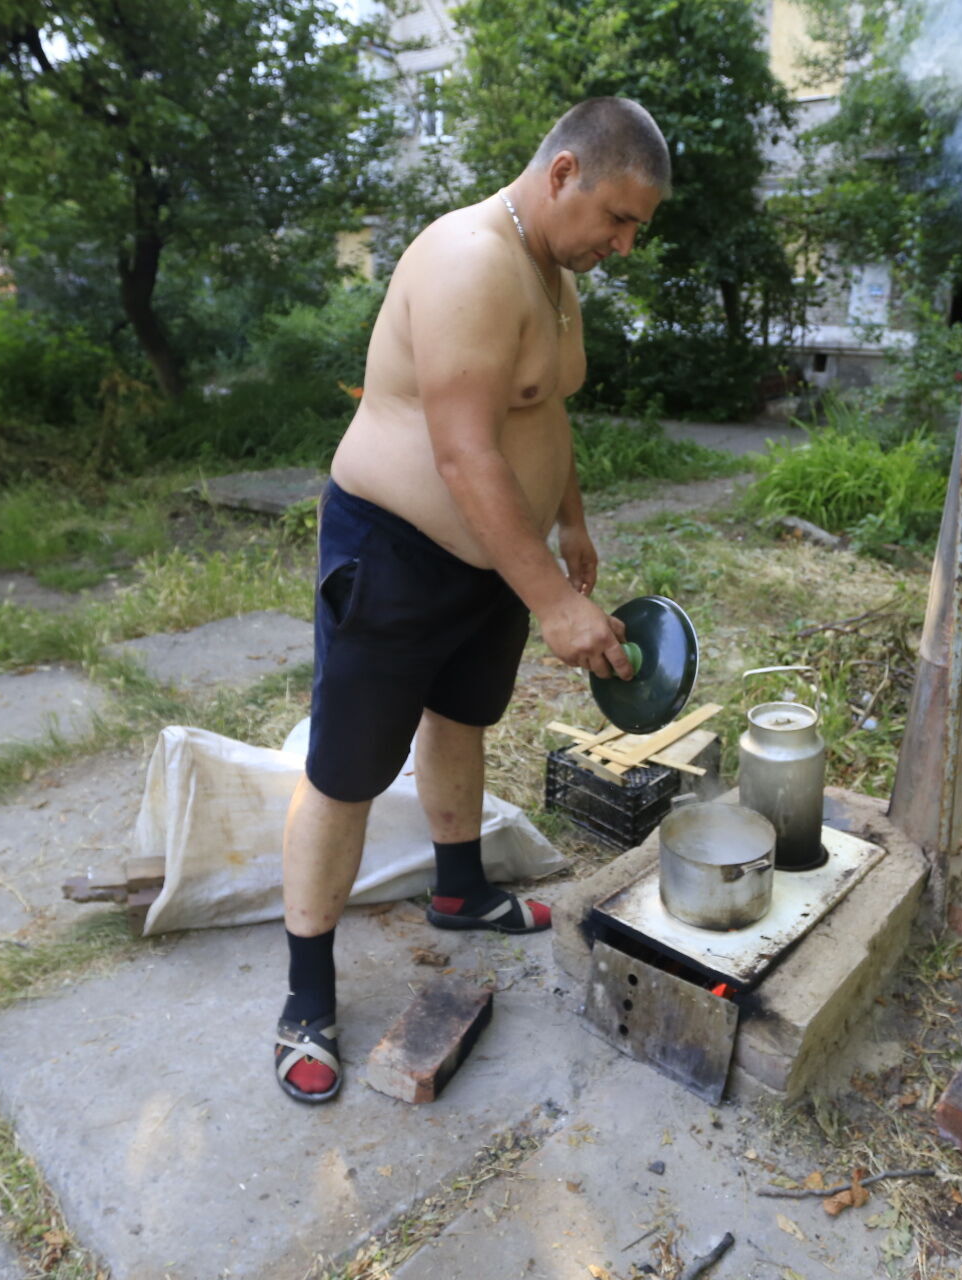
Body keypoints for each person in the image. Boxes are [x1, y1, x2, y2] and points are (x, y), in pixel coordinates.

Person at [273, 98, 672, 1103]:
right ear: (564, 173)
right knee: (347, 766)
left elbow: (544, 407)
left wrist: (569, 517)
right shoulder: (469, 261)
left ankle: (460, 888)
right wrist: (554, 599)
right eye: (618, 219)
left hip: (495, 553)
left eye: (637, 231)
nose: (622, 245)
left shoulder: (555, 268)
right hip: (396, 548)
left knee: (463, 718)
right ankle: (306, 993)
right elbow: (462, 450)